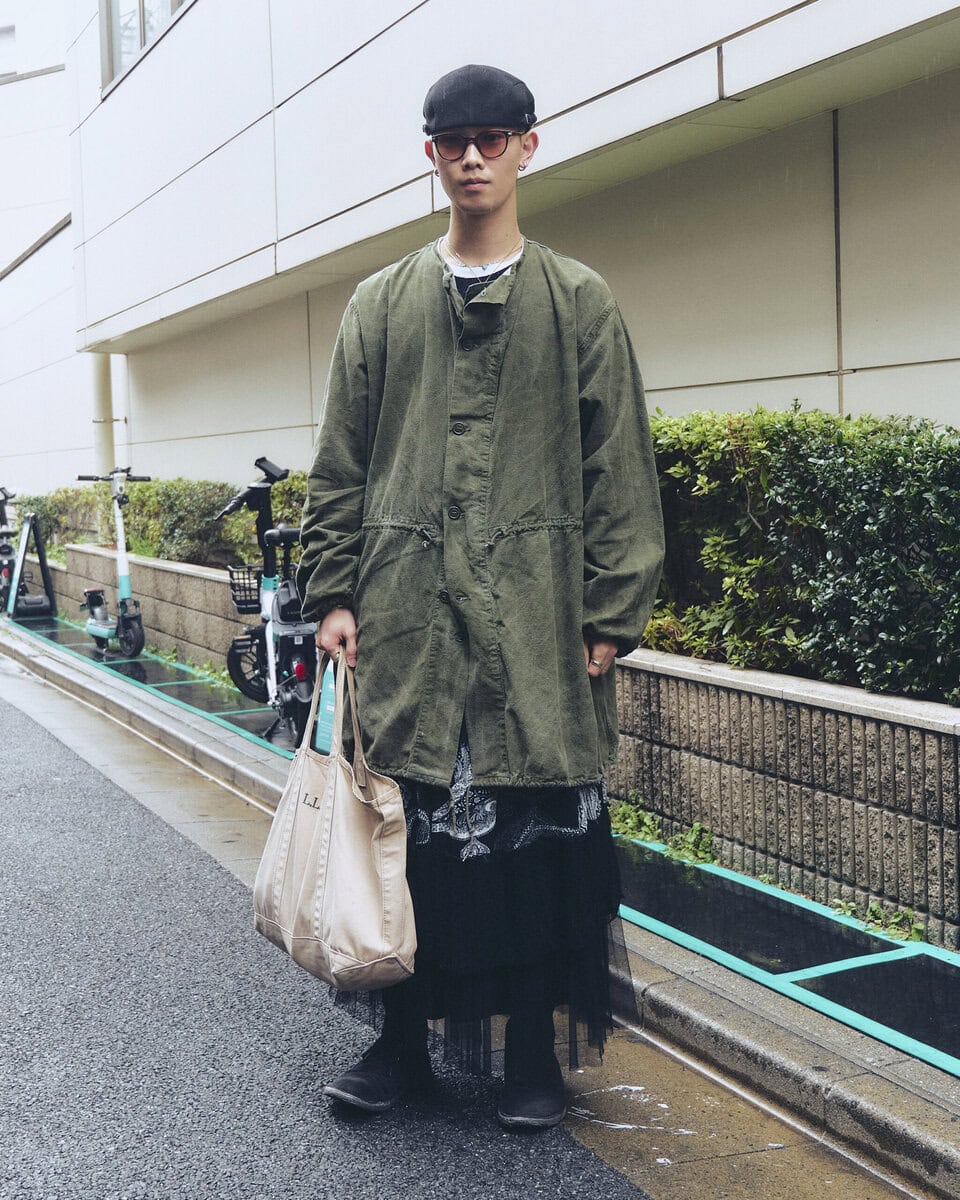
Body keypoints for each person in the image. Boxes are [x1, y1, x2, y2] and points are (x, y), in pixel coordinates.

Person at [297, 63, 664, 1130]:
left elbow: (618, 465)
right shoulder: (380, 304)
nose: (472, 157)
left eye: (492, 138)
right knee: (409, 836)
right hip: (406, 616)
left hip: (538, 621)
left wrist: (610, 612)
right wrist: (334, 590)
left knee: (535, 841)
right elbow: (341, 462)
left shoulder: (578, 299)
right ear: (430, 155)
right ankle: (400, 1047)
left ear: (526, 147)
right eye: (453, 140)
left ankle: (532, 1058)